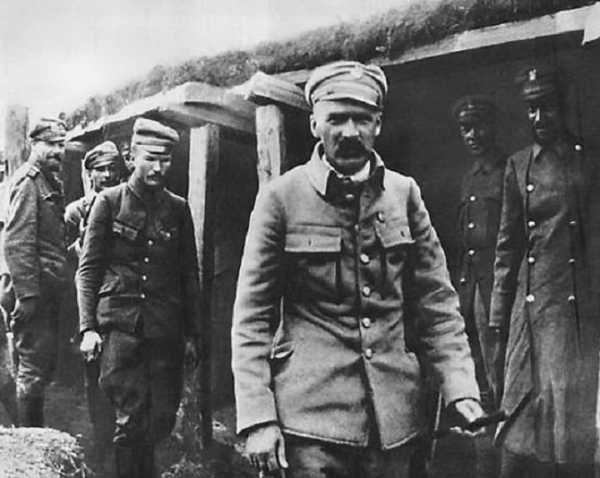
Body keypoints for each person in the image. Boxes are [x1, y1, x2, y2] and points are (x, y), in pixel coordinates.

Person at [231, 60, 484, 478]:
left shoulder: (404, 194)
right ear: (314, 124)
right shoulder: (281, 199)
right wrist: (259, 418)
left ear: (378, 124)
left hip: (395, 424)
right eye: (336, 119)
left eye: (362, 119)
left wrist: (460, 388)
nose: (349, 132)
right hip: (310, 425)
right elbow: (252, 318)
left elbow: (437, 304)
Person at [490, 64, 600, 477]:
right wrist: (498, 319)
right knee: (517, 422)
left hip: (572, 312)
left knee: (568, 427)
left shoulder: (586, 161)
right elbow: (507, 248)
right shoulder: (518, 166)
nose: (539, 117)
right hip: (528, 310)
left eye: (547, 107)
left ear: (563, 106)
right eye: (531, 109)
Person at [77, 118, 202, 478]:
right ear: (132, 158)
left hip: (164, 330)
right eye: (151, 159)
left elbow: (188, 276)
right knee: (130, 420)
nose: (159, 168)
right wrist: (88, 328)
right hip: (120, 329)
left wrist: (193, 334)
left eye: (166, 160)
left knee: (161, 418)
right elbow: (88, 270)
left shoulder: (177, 208)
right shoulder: (108, 202)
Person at [449, 94, 507, 477]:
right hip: (470, 286)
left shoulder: (506, 171)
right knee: (473, 370)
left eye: (478, 126)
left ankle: (502, 455)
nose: (472, 135)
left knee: (498, 369)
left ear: (492, 127)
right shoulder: (468, 177)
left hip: (495, 287)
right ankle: (482, 450)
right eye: (465, 129)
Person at [3, 117, 68, 427]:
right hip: (34, 292)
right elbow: (17, 242)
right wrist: (27, 296)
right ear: (34, 144)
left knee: (41, 366)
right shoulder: (28, 182)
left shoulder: (48, 181)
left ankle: (33, 432)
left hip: (46, 289)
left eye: (61, 144)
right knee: (32, 368)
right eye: (51, 144)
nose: (58, 150)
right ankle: (30, 438)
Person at [65, 141, 121, 472]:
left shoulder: (124, 203)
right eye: (101, 169)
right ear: (89, 174)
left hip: (117, 300)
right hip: (88, 298)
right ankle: (101, 442)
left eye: (113, 168)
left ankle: (120, 442)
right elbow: (62, 254)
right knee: (94, 372)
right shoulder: (76, 211)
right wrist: (79, 249)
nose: (108, 175)